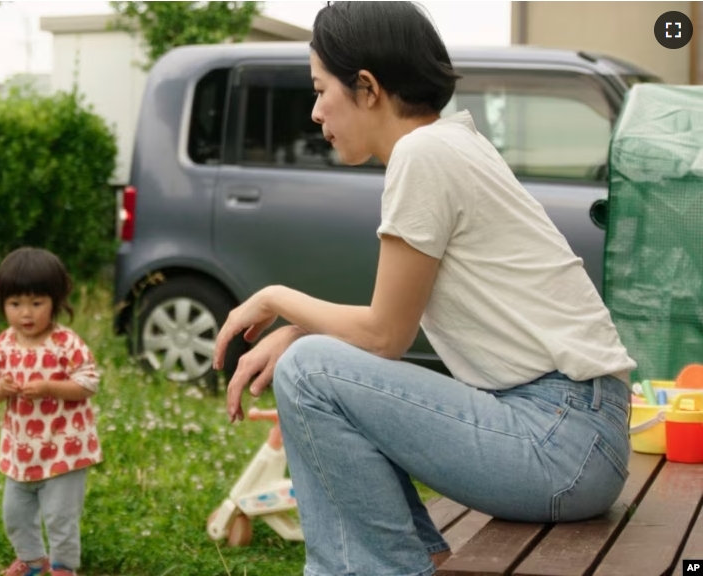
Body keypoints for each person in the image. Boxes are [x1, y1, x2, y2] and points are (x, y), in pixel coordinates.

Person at [213, 3, 637, 575]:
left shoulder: (423, 154)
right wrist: (297, 331)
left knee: (311, 370)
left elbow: (386, 335)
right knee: (313, 364)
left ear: (366, 87)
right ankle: (417, 555)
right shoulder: (449, 144)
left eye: (320, 90)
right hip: (576, 434)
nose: (315, 112)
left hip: (561, 441)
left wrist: (273, 300)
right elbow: (383, 333)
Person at [0, 247, 102, 576]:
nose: (26, 314)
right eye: (15, 304)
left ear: (55, 301)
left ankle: (63, 567)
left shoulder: (66, 343)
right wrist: (0, 389)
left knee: (60, 517)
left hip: (65, 448)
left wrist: (51, 387)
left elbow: (89, 383)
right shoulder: (1, 346)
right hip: (20, 452)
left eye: (37, 303)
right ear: (2, 303)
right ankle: (33, 561)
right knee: (15, 513)